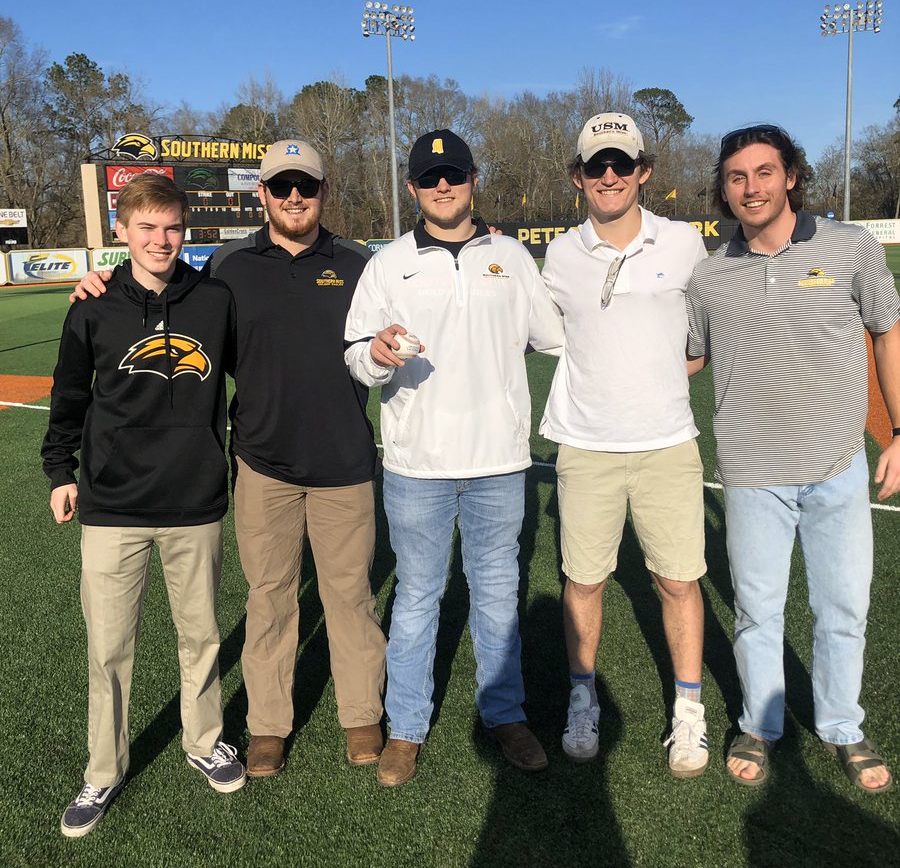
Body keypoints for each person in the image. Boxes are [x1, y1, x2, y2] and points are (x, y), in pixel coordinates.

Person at [71, 141, 386, 779]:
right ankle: (267, 724)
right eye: (281, 186)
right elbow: (173, 306)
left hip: (345, 460)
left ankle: (362, 717)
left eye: (307, 186)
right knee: (270, 598)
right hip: (262, 464)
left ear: (325, 191)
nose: (294, 197)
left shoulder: (359, 264)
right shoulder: (228, 265)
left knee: (350, 597)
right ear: (262, 194)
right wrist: (100, 284)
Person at [344, 129, 564, 786]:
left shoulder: (512, 257)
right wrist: (378, 355)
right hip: (417, 465)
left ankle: (504, 715)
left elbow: (553, 337)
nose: (444, 186)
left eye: (455, 174)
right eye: (430, 177)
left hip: (499, 461)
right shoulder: (387, 265)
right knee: (418, 598)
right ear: (413, 188)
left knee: (497, 595)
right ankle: (407, 728)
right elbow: (356, 355)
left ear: (473, 181)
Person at [687, 123, 900, 791]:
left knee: (843, 608)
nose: (751, 188)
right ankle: (760, 723)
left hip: (837, 467)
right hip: (751, 476)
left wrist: (898, 433)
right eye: (736, 177)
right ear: (723, 189)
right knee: (757, 611)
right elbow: (687, 356)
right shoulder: (709, 273)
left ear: (792, 177)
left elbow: (888, 330)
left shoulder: (850, 248)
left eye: (764, 172)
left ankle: (842, 726)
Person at [43, 173, 245, 838]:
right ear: (123, 232)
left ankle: (204, 739)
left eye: (172, 228)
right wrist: (59, 471)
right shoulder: (93, 306)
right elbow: (69, 394)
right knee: (109, 649)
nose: (161, 240)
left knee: (202, 638)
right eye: (148, 228)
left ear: (185, 230)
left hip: (194, 502)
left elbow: (255, 376)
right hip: (111, 504)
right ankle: (103, 770)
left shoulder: (214, 299)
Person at [540, 114, 710, 776]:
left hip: (669, 443)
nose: (607, 177)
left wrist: (658, 378)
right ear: (578, 177)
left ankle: (689, 712)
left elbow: (701, 343)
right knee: (584, 581)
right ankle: (582, 699)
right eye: (594, 166)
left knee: (677, 580)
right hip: (584, 447)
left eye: (620, 164)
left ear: (643, 171)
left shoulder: (685, 244)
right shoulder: (558, 255)